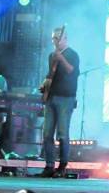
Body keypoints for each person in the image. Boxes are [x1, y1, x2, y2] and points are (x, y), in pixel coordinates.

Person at [39, 26, 79, 178]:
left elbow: (72, 71)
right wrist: (44, 84)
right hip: (51, 97)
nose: (54, 41)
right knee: (47, 133)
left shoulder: (73, 54)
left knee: (62, 134)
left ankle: (62, 166)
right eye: (53, 38)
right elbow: (50, 74)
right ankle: (49, 166)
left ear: (64, 39)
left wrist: (61, 58)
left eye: (57, 38)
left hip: (66, 97)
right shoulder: (51, 56)